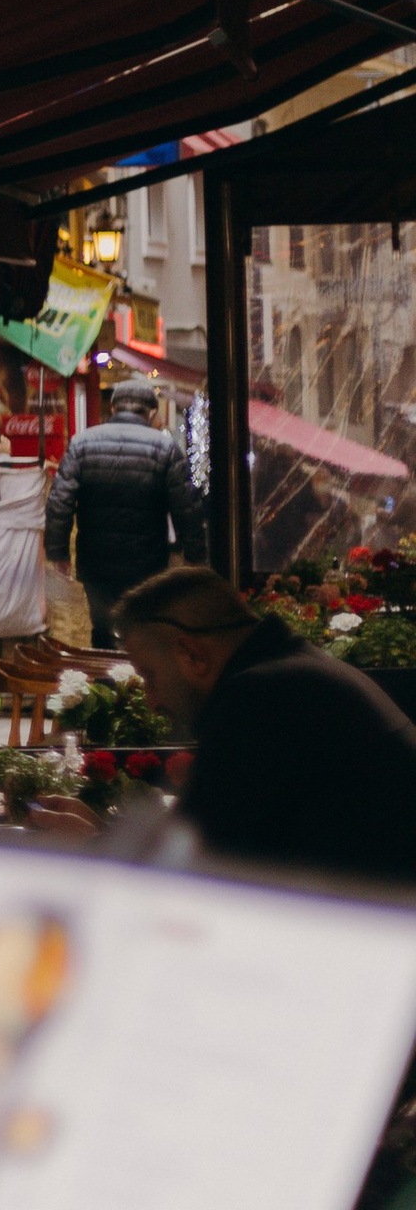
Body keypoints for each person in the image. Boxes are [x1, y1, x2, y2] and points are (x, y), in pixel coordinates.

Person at [115, 565, 416, 887]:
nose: (150, 701)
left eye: (149, 675)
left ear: (192, 654)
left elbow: (196, 873)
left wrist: (93, 844)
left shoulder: (256, 700)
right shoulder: (293, 672)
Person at [43, 378, 203, 648]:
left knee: (103, 628)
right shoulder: (165, 448)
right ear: (151, 412)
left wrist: (58, 553)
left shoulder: (82, 443)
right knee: (142, 627)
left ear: (114, 407)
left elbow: (59, 501)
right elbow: (185, 506)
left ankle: (106, 685)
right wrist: (195, 555)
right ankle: (139, 684)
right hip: (147, 560)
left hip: (96, 560)